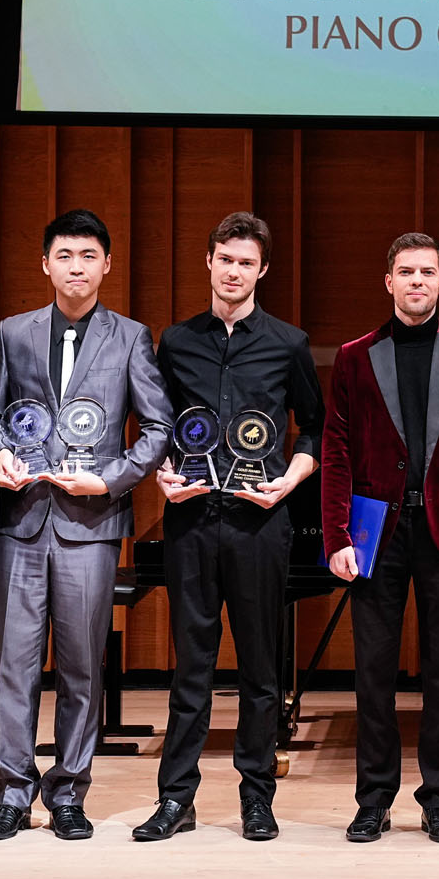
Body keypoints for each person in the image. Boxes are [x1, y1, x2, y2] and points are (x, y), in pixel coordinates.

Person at [0, 209, 173, 842]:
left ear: (106, 265)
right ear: (45, 264)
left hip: (90, 522)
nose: (76, 267)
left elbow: (159, 427)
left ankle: (68, 792)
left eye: (89, 256)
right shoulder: (14, 333)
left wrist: (111, 479)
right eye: (64, 255)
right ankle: (12, 794)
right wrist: (0, 455)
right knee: (14, 664)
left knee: (83, 665)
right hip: (21, 520)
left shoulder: (131, 337)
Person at [134, 212, 325, 844]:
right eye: (225, 259)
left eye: (246, 262)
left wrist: (290, 480)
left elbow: (316, 427)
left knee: (260, 669)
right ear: (209, 262)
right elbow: (158, 425)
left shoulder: (288, 343)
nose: (234, 271)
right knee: (191, 666)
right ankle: (175, 798)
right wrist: (161, 471)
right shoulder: (175, 341)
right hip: (190, 520)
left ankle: (257, 797)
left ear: (262, 270)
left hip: (259, 523)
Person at [320, 232, 439, 844]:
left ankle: (438, 799)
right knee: (373, 673)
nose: (417, 281)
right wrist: (336, 536)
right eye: (406, 272)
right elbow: (336, 451)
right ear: (389, 281)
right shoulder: (355, 357)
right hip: (375, 534)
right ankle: (373, 799)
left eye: (427, 272)